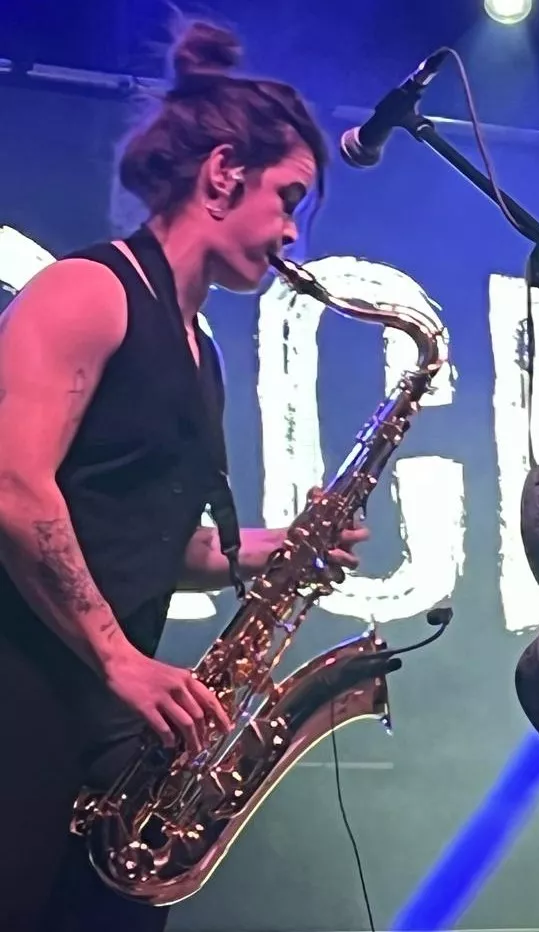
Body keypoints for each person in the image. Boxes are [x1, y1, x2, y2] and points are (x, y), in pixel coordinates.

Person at [0, 20, 366, 932]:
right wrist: (123, 659)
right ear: (221, 173)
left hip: (105, 726)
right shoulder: (88, 291)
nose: (292, 234)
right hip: (23, 697)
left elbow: (131, 532)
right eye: (289, 199)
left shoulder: (199, 348)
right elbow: (12, 488)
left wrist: (267, 553)